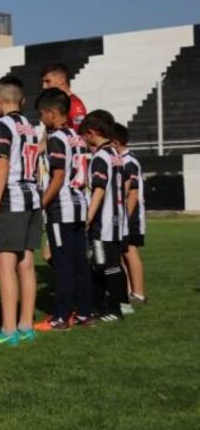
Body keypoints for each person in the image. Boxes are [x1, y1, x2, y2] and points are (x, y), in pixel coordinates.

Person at [0, 75, 41, 347]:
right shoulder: (29, 127)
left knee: (5, 265)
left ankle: (7, 329)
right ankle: (26, 325)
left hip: (12, 201)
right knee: (26, 265)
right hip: (32, 200)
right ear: (23, 101)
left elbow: (3, 164)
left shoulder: (1, 126)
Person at [33, 88, 94, 332]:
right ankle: (85, 312)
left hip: (63, 209)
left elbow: (58, 178)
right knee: (80, 263)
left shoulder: (57, 138)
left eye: (41, 115)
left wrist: (40, 205)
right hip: (80, 206)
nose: (40, 120)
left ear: (51, 113)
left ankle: (61, 316)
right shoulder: (78, 137)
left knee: (63, 263)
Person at [79, 110, 129, 322]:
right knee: (110, 264)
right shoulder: (116, 154)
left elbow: (98, 190)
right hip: (117, 220)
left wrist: (88, 218)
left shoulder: (100, 157)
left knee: (104, 265)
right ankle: (110, 305)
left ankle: (113, 309)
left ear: (91, 133)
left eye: (84, 135)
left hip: (103, 223)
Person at [114, 123, 147, 305]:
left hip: (132, 214)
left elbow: (132, 193)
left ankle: (139, 293)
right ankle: (127, 292)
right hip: (126, 213)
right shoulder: (123, 160)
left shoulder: (129, 161)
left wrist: (124, 217)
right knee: (122, 252)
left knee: (130, 251)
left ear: (116, 142)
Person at [40, 63, 88, 130]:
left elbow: (80, 137)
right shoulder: (55, 104)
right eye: (43, 82)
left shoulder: (74, 105)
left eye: (48, 81)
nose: (44, 86)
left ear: (62, 81)